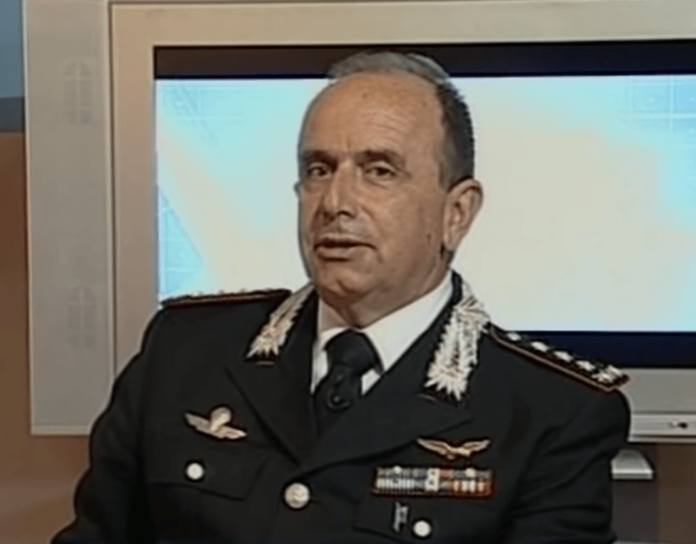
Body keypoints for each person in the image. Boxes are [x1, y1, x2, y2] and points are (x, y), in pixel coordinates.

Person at [53, 51, 630, 544]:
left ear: (457, 213)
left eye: (379, 171)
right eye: (319, 169)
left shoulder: (553, 412)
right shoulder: (185, 352)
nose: (335, 203)